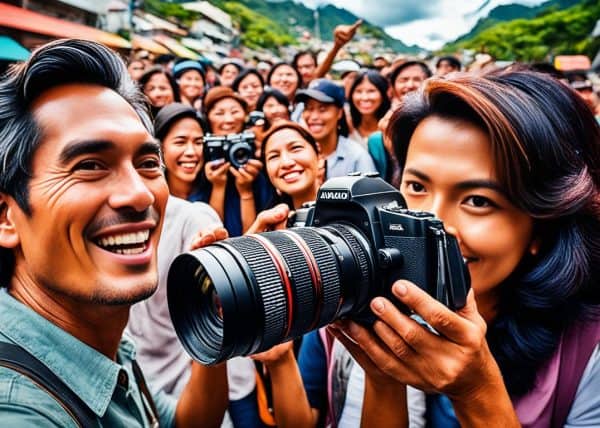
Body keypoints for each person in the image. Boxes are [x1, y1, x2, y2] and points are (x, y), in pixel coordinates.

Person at [327, 69, 600, 427]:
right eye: (417, 187)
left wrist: (476, 391)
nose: (433, 223)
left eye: (477, 200)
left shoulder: (588, 352)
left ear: (543, 225)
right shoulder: (372, 307)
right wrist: (384, 372)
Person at [0, 38, 227, 427]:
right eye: (89, 165)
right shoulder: (20, 410)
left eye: (148, 163)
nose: (140, 194)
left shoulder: (100, 342)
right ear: (6, 216)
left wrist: (215, 308)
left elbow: (186, 422)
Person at [197, 86, 273, 236]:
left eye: (235, 112)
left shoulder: (256, 157)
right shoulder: (200, 157)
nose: (228, 119)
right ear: (208, 118)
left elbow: (256, 237)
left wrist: (247, 190)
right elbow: (211, 234)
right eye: (219, 113)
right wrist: (218, 186)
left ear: (245, 116)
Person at [296, 78, 376, 179]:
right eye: (308, 108)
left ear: (339, 113)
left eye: (322, 109)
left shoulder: (357, 156)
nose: (314, 117)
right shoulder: (297, 155)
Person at [347, 69, 391, 147]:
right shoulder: (345, 125)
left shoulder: (391, 126)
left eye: (371, 91)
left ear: (384, 94)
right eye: (359, 91)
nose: (364, 98)